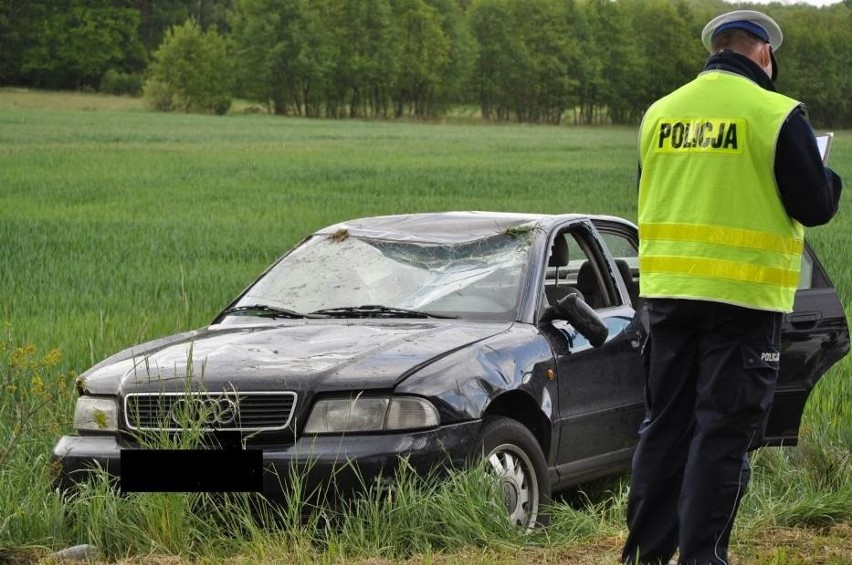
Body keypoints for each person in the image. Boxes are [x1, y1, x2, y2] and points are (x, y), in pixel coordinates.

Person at [622, 9, 843, 565]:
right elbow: (815, 205)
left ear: (716, 49)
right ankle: (702, 559)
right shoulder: (775, 113)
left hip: (668, 296)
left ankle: (643, 557)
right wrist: (830, 177)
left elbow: (651, 190)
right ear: (764, 54)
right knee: (721, 436)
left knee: (664, 431)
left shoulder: (660, 113)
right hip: (742, 302)